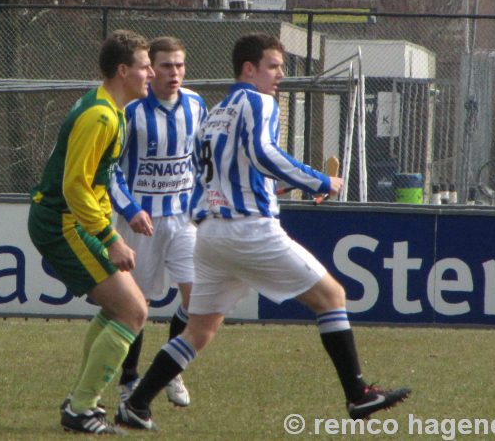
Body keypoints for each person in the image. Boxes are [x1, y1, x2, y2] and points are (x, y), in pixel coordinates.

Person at [114, 32, 410, 430]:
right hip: (249, 231)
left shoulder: (215, 112)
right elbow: (262, 153)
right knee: (332, 296)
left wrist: (280, 186)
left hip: (212, 236)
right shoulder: (259, 101)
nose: (280, 77)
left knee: (199, 330)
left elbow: (229, 173)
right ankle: (358, 395)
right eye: (273, 67)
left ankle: (137, 402)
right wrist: (319, 181)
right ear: (248, 69)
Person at [27, 29, 154, 435]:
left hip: (71, 221)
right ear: (123, 70)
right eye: (145, 65)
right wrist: (109, 237)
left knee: (124, 309)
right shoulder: (99, 115)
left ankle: (81, 401)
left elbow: (97, 182)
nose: (150, 72)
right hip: (61, 222)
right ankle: (81, 408)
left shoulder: (111, 110)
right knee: (132, 311)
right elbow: (75, 186)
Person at [109, 36, 207, 407]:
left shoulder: (196, 105)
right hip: (141, 223)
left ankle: (170, 370)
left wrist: (204, 201)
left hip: (182, 219)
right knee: (137, 305)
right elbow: (111, 170)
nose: (174, 73)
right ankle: (129, 380)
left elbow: (202, 159)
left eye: (180, 65)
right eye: (166, 65)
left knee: (197, 297)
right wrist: (131, 209)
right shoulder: (131, 110)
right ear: (151, 68)